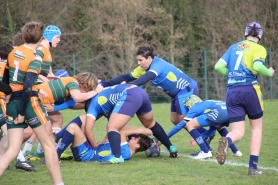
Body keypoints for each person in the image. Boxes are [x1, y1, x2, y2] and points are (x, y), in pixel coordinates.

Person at [0, 22, 64, 185]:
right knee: (49, 145)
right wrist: (22, 113)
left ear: (23, 36)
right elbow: (28, 86)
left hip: (13, 103)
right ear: (41, 38)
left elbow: (6, 80)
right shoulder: (35, 57)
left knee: (12, 150)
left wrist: (9, 96)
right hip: (28, 104)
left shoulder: (14, 52)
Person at [214, 22, 275, 175]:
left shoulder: (234, 47)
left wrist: (233, 76)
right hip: (250, 90)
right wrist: (269, 72)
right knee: (256, 128)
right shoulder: (259, 48)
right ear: (259, 36)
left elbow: (218, 66)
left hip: (232, 91)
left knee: (238, 131)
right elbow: (258, 66)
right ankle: (253, 167)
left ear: (245, 33)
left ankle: (227, 141)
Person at [100, 46, 199, 125]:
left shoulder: (157, 65)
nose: (138, 63)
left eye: (140, 60)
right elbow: (126, 77)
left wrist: (130, 85)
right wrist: (104, 83)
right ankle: (205, 132)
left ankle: (204, 141)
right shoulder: (143, 68)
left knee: (184, 122)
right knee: (175, 120)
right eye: (137, 60)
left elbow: (149, 76)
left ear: (149, 58)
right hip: (176, 94)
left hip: (186, 90)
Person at [84, 83, 178, 164]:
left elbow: (88, 129)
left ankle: (117, 157)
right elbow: (119, 127)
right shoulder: (106, 104)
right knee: (150, 123)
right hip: (140, 92)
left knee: (112, 127)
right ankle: (171, 147)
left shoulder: (93, 105)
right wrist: (106, 138)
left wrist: (95, 145)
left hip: (130, 94)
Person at [23, 71, 103, 159]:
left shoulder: (71, 81)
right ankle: (19, 152)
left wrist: (54, 109)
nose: (86, 93)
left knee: (53, 124)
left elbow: (71, 102)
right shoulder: (73, 83)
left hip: (36, 100)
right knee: (29, 131)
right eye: (87, 90)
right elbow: (78, 98)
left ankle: (49, 152)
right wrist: (96, 91)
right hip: (34, 100)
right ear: (85, 85)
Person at [167, 95, 242, 159]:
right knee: (220, 127)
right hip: (230, 112)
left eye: (187, 107)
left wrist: (166, 138)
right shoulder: (206, 104)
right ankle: (236, 151)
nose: (188, 109)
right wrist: (201, 136)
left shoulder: (195, 107)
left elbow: (180, 125)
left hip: (220, 112)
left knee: (189, 124)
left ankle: (205, 151)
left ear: (190, 105)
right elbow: (212, 131)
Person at [53, 114, 152, 162]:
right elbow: (115, 128)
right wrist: (140, 130)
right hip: (92, 148)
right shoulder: (123, 145)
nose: (133, 137)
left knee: (73, 127)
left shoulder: (126, 152)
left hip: (86, 155)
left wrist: (140, 130)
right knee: (84, 119)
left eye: (136, 138)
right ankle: (56, 139)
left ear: (137, 145)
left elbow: (121, 131)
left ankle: (56, 156)